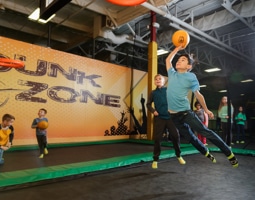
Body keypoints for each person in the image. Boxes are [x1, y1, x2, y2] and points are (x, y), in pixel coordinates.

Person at [165, 46, 238, 168]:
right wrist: (176, 49)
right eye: (178, 59)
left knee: (205, 131)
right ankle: (206, 153)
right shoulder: (172, 73)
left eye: (183, 60)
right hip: (173, 115)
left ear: (189, 66)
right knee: (190, 138)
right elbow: (168, 60)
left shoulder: (191, 77)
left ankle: (229, 153)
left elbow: (198, 95)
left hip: (186, 113)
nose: (178, 60)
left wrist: (206, 109)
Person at [146, 74, 186, 169]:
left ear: (164, 82)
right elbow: (148, 104)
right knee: (157, 139)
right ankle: (155, 159)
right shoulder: (153, 93)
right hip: (160, 118)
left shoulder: (168, 90)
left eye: (160, 79)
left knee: (176, 136)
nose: (158, 80)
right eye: (156, 79)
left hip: (170, 117)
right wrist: (153, 111)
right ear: (154, 82)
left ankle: (178, 155)